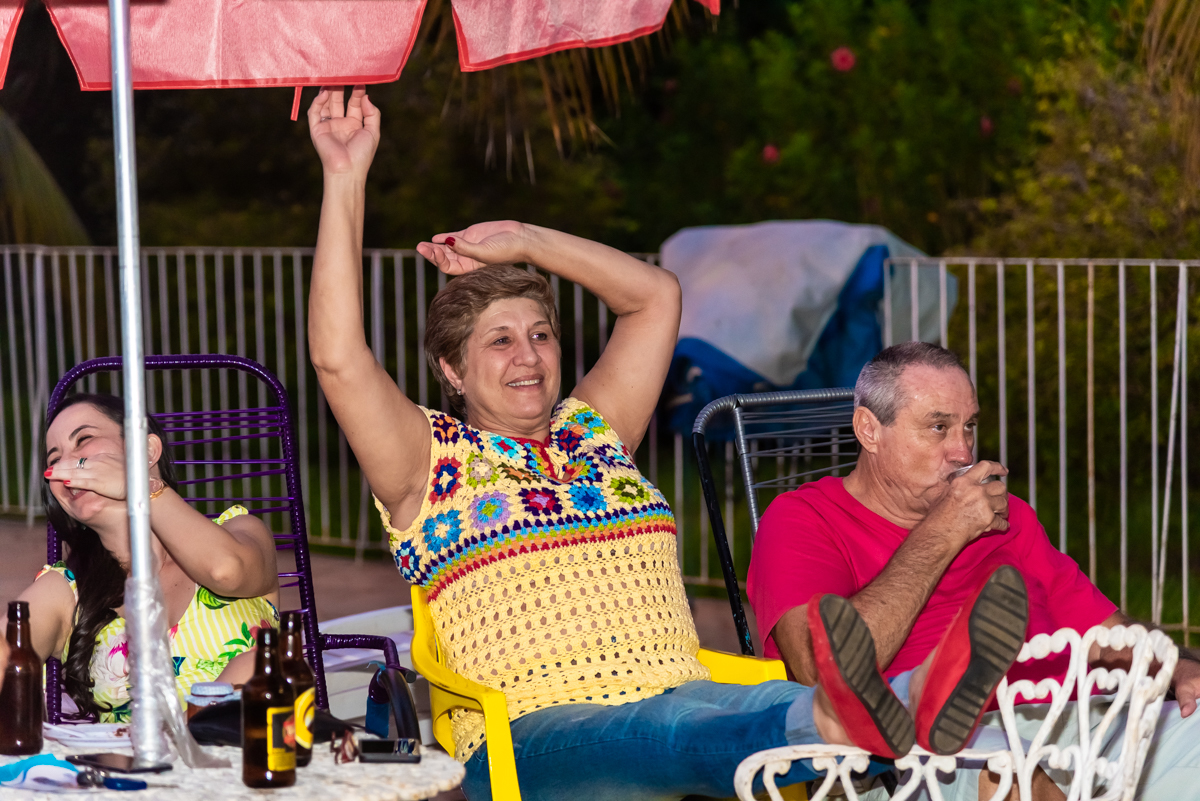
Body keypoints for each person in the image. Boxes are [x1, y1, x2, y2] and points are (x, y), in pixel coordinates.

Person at [304, 86, 1034, 800]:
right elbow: (338, 357)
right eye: (499, 341)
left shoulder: (594, 431)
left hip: (683, 694)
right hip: (528, 740)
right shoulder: (425, 460)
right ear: (450, 368)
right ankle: (870, 713)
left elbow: (657, 295)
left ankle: (884, 706)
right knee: (673, 725)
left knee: (725, 708)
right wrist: (345, 176)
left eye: (541, 333)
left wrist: (527, 240)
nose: (528, 355)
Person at [747, 341, 1200, 799]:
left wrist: (1177, 665)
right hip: (917, 755)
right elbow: (817, 672)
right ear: (869, 430)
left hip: (1074, 718)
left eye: (969, 427)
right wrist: (942, 532)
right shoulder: (803, 520)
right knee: (1011, 772)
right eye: (938, 427)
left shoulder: (1007, 516)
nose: (963, 452)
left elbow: (1106, 633)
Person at [12, 393, 279, 722]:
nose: (68, 464)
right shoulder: (67, 589)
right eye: (56, 458)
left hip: (255, 757)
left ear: (146, 450)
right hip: (139, 768)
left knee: (256, 667)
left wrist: (140, 485)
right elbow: (6, 651)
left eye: (84, 439)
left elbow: (225, 570)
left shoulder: (239, 529)